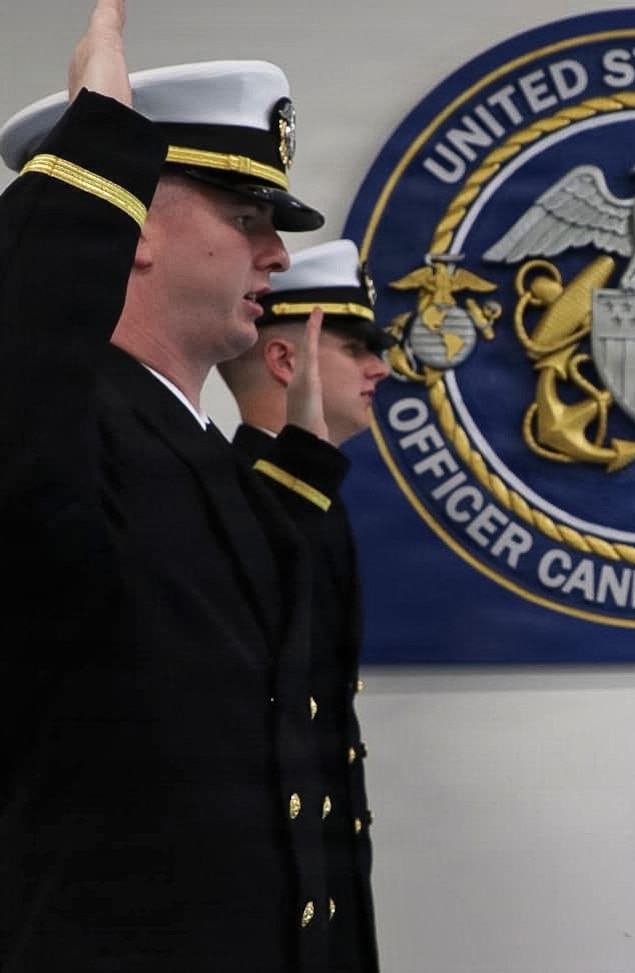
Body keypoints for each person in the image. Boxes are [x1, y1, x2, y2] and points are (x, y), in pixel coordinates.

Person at [0, 3, 351, 970]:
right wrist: (93, 152)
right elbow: (17, 385)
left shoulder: (188, 443)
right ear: (136, 223)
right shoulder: (70, 426)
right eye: (247, 218)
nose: (277, 255)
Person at [218, 239, 395, 973]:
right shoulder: (235, 505)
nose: (380, 367)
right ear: (287, 362)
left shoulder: (314, 506)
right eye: (355, 347)